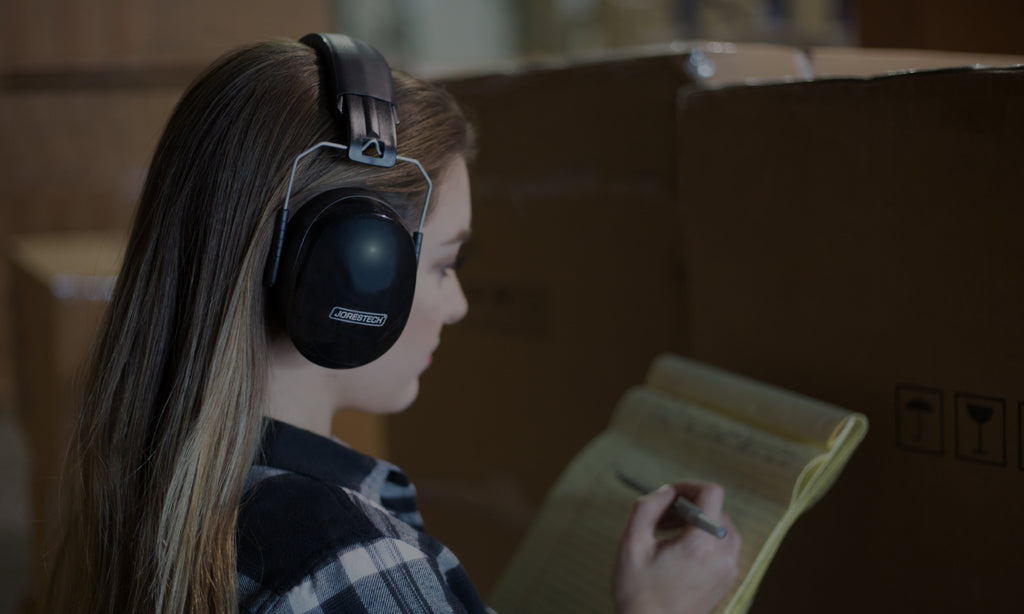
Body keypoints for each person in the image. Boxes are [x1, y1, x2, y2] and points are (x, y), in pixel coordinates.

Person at [47, 34, 740, 613]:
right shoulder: (343, 558)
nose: (460, 304)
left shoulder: (148, 493)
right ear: (350, 271)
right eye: (444, 264)